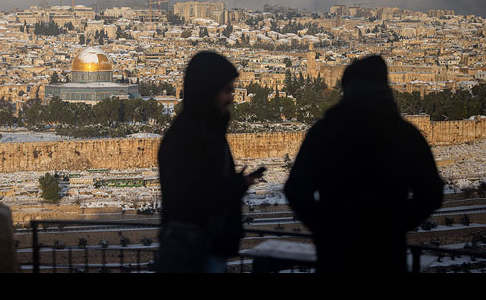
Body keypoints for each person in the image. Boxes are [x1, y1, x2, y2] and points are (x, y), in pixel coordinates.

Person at [283, 55, 444, 274]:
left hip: (337, 254)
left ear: (347, 89)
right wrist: (394, 225)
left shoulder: (324, 132)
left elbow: (295, 190)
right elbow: (432, 193)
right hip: (386, 255)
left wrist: (327, 228)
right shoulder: (405, 135)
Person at [157, 51, 264, 273]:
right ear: (208, 92)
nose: (232, 97)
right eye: (226, 90)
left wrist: (235, 182)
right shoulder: (187, 136)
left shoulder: (208, 131)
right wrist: (238, 186)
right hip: (191, 252)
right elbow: (191, 198)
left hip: (204, 247)